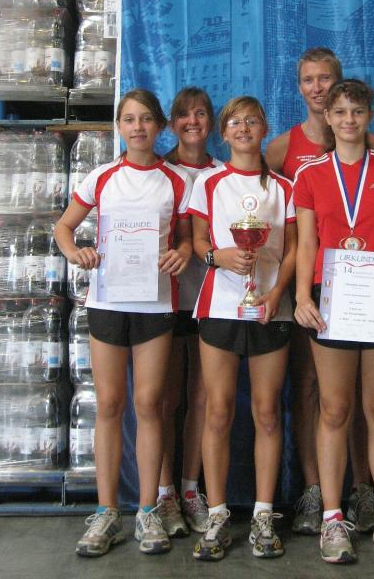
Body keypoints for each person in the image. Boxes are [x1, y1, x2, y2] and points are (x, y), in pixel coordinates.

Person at [54, 89, 193, 558]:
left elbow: (188, 240)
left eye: (146, 119)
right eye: (129, 120)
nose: (138, 127)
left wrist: (182, 253)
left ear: (160, 127)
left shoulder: (176, 180)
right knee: (110, 404)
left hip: (155, 304)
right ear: (119, 127)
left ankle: (148, 510)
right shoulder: (102, 177)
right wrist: (76, 252)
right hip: (108, 301)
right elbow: (63, 227)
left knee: (149, 404)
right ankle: (107, 511)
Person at [293, 78, 374, 564]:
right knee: (333, 410)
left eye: (357, 112)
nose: (349, 120)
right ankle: (333, 519)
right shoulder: (309, 174)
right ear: (327, 118)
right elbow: (306, 244)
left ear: (369, 116)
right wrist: (301, 296)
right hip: (330, 300)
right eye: (340, 112)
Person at [265, 47, 374, 536]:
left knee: (356, 392)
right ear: (299, 87)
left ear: (339, 85)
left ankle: (363, 489)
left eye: (325, 78)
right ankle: (314, 491)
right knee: (308, 386)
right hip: (306, 289)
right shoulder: (281, 148)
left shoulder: (368, 142)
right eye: (308, 79)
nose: (316, 87)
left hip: (360, 291)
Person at [189, 96, 297, 561]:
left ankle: (263, 513)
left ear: (264, 128)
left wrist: (277, 293)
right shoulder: (209, 183)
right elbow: (197, 242)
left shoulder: (285, 187)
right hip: (220, 308)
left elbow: (293, 250)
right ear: (224, 132)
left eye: (252, 121)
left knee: (267, 412)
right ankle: (216, 514)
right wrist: (220, 257)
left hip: (271, 309)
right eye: (235, 122)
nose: (244, 128)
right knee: (217, 412)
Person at [156, 87, 222, 537]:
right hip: (163, 300)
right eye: (184, 115)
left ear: (211, 122)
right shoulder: (158, 171)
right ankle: (164, 493)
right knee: (165, 400)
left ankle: (191, 488)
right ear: (172, 124)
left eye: (200, 114)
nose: (192, 122)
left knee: (202, 398)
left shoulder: (224, 173)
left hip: (212, 301)